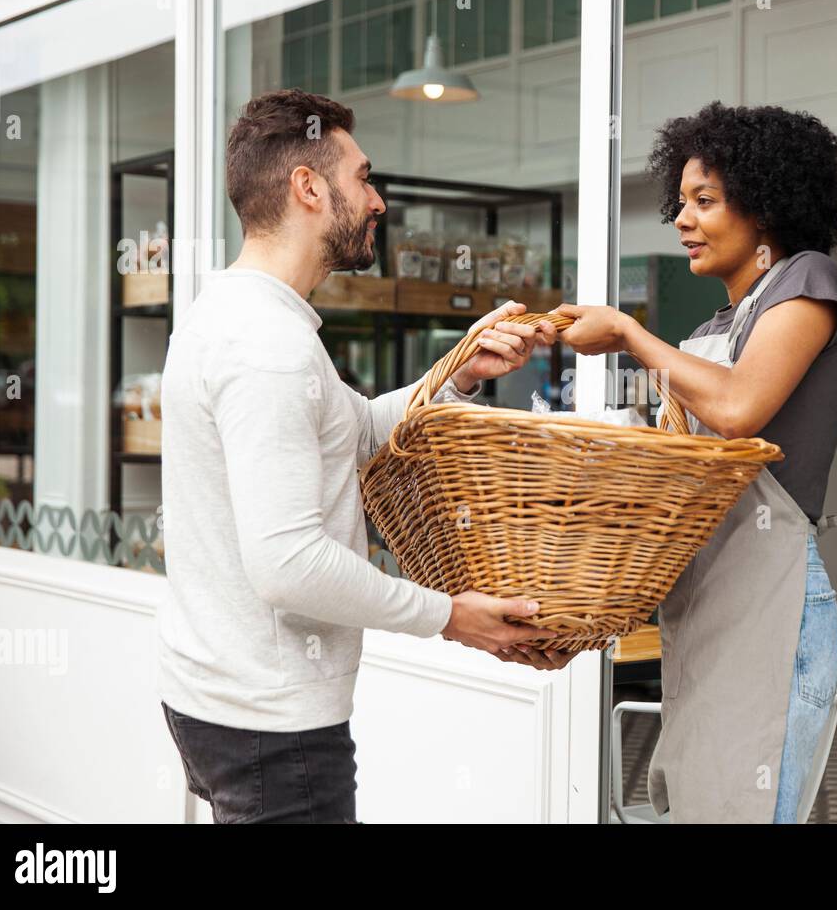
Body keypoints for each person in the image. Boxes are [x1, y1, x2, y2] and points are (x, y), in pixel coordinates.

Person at [158, 88, 557, 823]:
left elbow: (358, 428)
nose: (376, 201)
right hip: (272, 726)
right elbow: (289, 563)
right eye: (363, 177)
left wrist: (457, 371)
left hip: (228, 703)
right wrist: (449, 615)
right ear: (308, 188)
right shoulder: (267, 348)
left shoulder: (242, 317)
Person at [513, 101, 837, 823]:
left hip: (775, 604)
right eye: (681, 202)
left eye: (705, 200)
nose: (682, 220)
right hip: (707, 609)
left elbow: (737, 408)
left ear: (763, 206)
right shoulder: (712, 331)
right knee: (698, 807)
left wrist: (632, 335)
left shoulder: (808, 282)